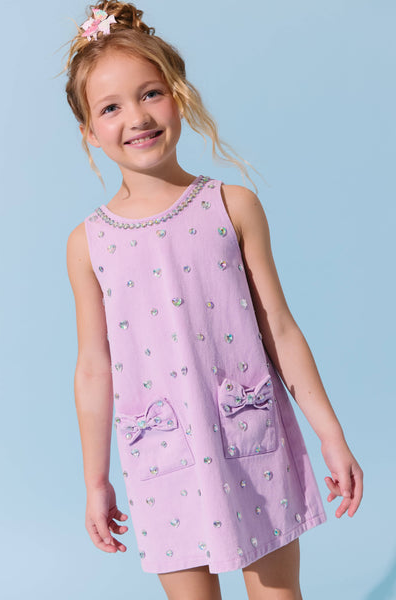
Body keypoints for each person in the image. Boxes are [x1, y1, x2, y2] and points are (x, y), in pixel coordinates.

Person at [64, 2, 363, 599]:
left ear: (178, 96)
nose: (137, 117)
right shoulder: (88, 243)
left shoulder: (232, 205)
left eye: (150, 94)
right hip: (161, 455)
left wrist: (330, 433)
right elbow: (94, 366)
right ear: (89, 131)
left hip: (250, 438)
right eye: (111, 107)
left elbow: (279, 328)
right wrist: (95, 481)